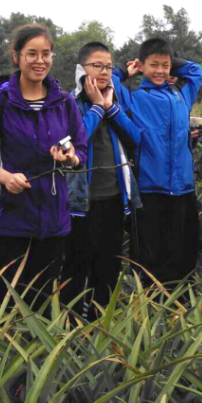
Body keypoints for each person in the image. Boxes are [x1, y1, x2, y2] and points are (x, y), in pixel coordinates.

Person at [0, 23, 87, 303]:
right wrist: (2, 176)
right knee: (6, 304)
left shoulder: (64, 103)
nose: (40, 60)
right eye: (32, 53)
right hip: (10, 220)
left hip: (54, 220)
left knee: (44, 300)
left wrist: (70, 159)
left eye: (46, 54)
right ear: (16, 56)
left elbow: (80, 150)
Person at [114, 38, 202, 283]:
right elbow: (109, 79)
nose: (161, 71)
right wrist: (126, 69)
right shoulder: (134, 98)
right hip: (150, 189)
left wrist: (169, 61)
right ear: (141, 66)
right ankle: (150, 305)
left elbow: (196, 71)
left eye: (165, 66)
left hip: (184, 188)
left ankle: (181, 301)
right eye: (154, 65)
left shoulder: (181, 97)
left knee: (182, 250)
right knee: (150, 252)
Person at [64, 42, 143, 315]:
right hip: (79, 202)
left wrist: (110, 108)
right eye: (97, 66)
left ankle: (102, 318)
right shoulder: (69, 103)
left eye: (108, 66)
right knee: (77, 264)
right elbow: (75, 141)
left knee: (108, 263)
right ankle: (74, 321)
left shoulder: (115, 102)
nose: (105, 72)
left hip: (113, 197)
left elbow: (136, 138)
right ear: (81, 70)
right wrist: (97, 107)